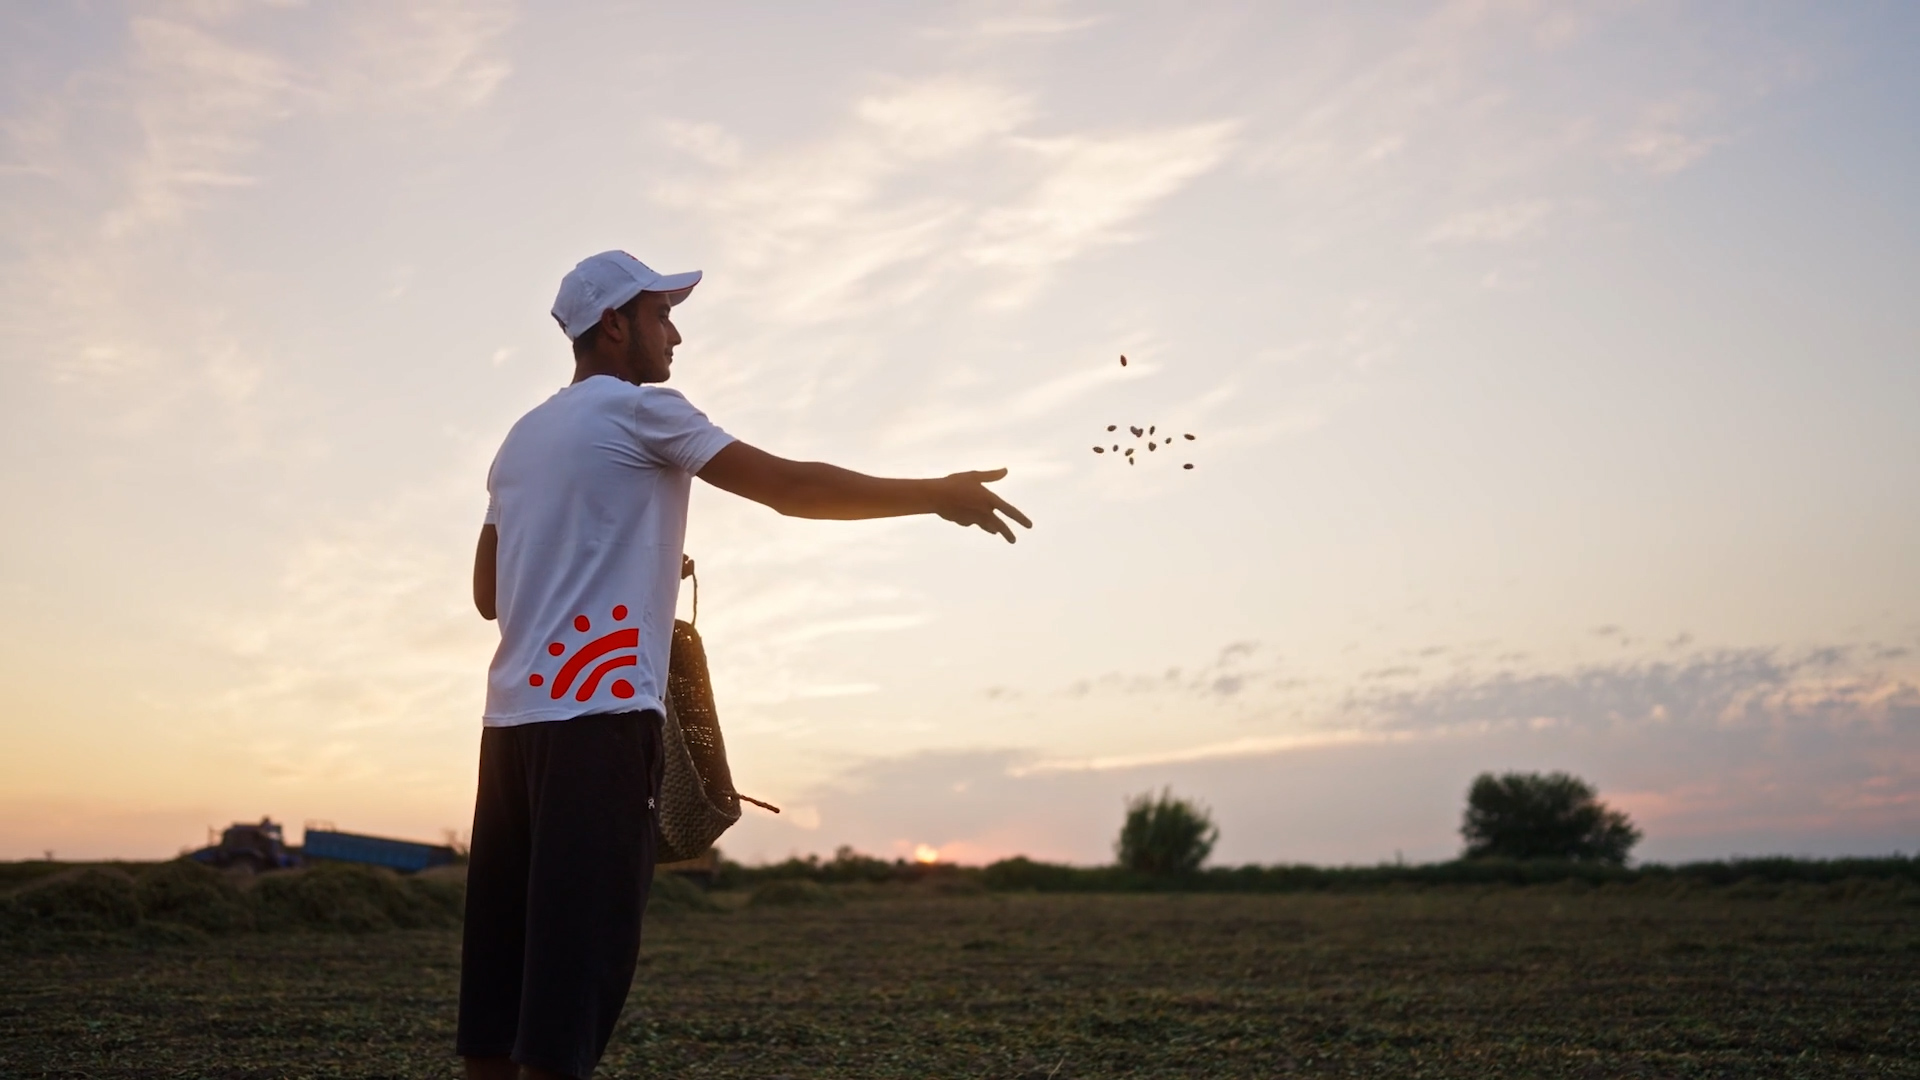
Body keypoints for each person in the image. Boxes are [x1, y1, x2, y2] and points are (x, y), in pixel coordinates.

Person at [459, 250, 1030, 1080]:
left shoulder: (519, 440)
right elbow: (789, 487)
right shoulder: (641, 412)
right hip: (601, 727)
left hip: (511, 732)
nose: (676, 334)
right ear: (614, 326)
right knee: (566, 1003)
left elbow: (489, 593)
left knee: (499, 998)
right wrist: (934, 492)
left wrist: (629, 556)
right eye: (662, 316)